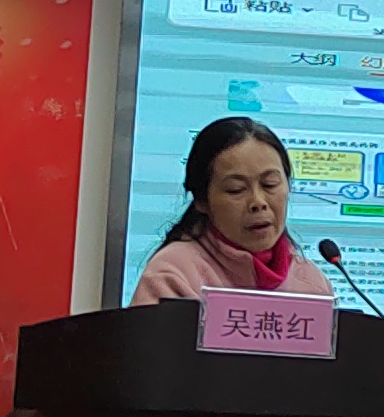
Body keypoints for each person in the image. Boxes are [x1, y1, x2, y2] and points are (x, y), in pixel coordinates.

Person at [134, 115, 334, 305]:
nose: (258, 202)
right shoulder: (174, 273)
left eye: (270, 184)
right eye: (236, 189)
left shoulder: (312, 284)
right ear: (202, 200)